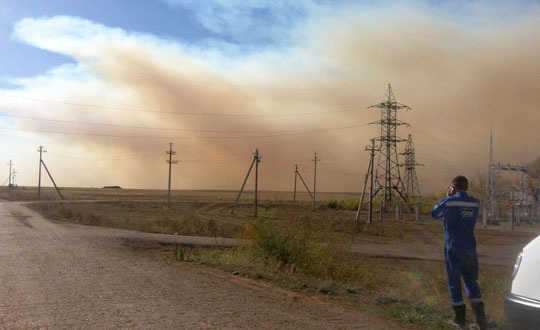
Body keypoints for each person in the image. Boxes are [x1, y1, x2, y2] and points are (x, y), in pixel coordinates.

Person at [430, 175, 488, 329]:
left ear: (454, 187)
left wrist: (447, 197)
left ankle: (460, 319)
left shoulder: (449, 202)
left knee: (454, 282)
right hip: (470, 248)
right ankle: (481, 320)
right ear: (467, 187)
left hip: (453, 248)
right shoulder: (475, 203)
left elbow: (434, 213)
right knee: (471, 282)